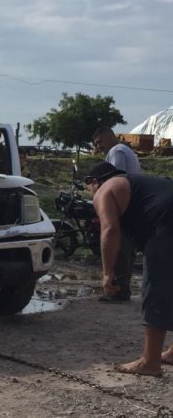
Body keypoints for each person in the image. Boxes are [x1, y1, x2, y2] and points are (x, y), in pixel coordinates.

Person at [86, 161, 173, 377]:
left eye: (88, 188)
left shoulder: (104, 190)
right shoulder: (136, 185)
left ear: (94, 182)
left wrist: (107, 273)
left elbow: (109, 230)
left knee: (156, 289)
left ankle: (150, 362)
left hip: (166, 224)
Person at [92, 126, 141, 303]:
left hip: (123, 202)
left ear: (110, 137)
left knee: (119, 246)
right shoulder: (124, 150)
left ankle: (118, 290)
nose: (99, 147)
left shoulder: (117, 151)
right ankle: (122, 287)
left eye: (100, 142)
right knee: (125, 247)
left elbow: (113, 178)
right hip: (131, 201)